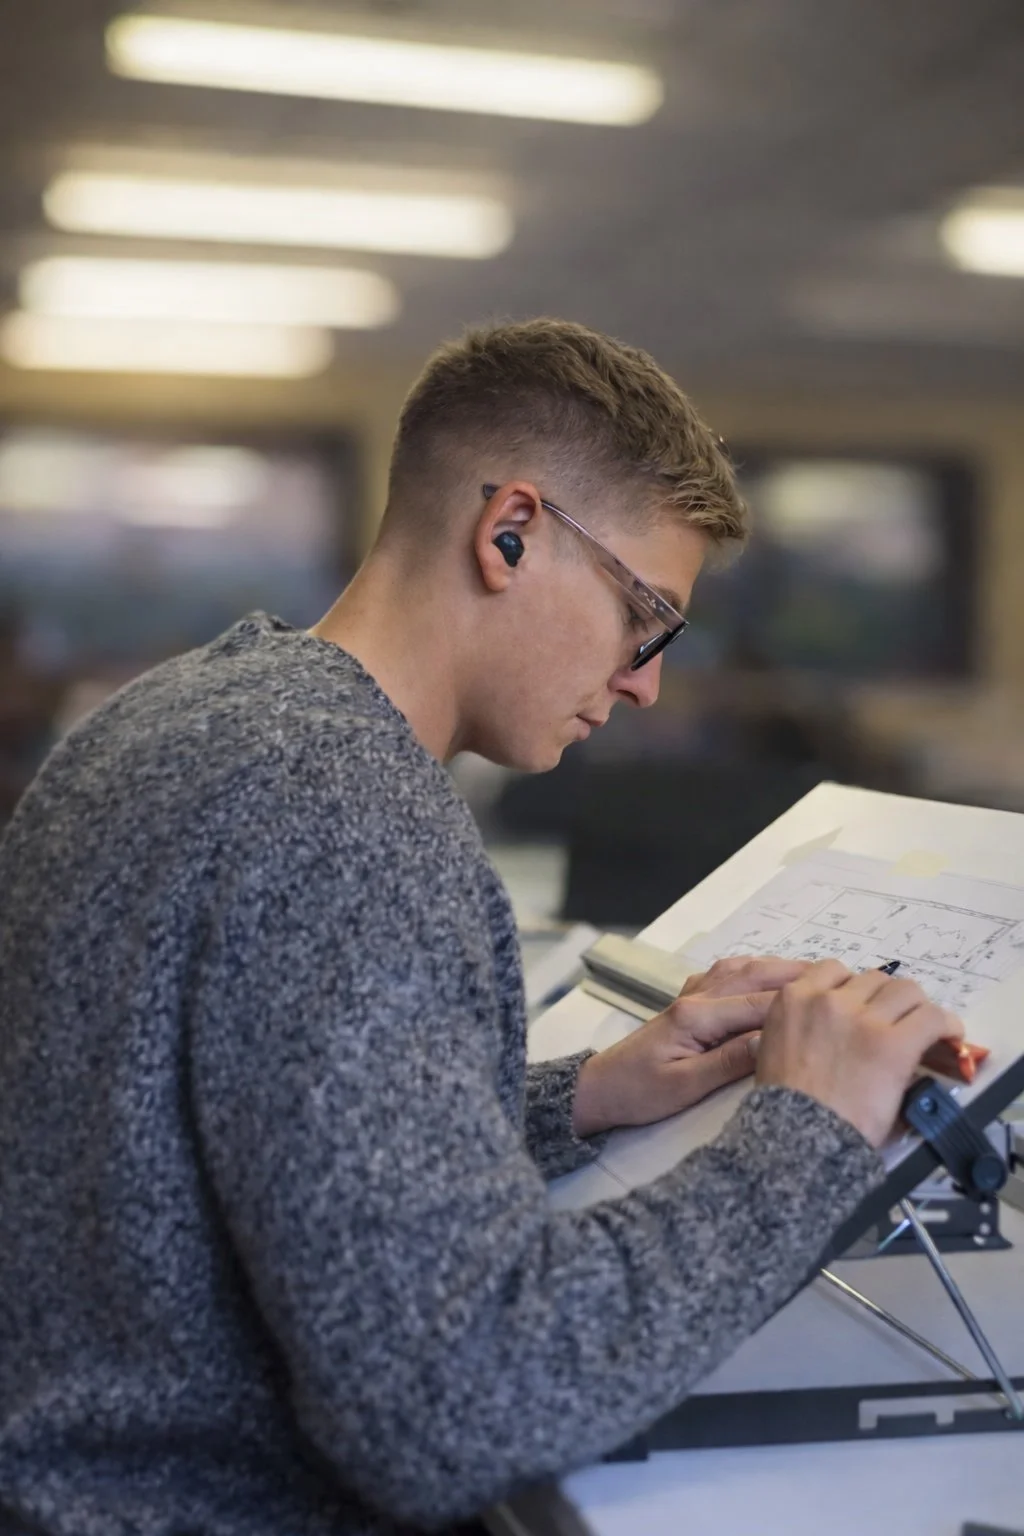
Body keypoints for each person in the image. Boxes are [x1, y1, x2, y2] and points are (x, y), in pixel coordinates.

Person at [0, 320, 959, 1536]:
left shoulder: (188, 715)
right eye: (645, 617)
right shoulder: (342, 814)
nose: (646, 681)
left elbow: (220, 1132)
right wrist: (808, 1129)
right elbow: (463, 1401)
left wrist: (584, 1097)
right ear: (509, 533)